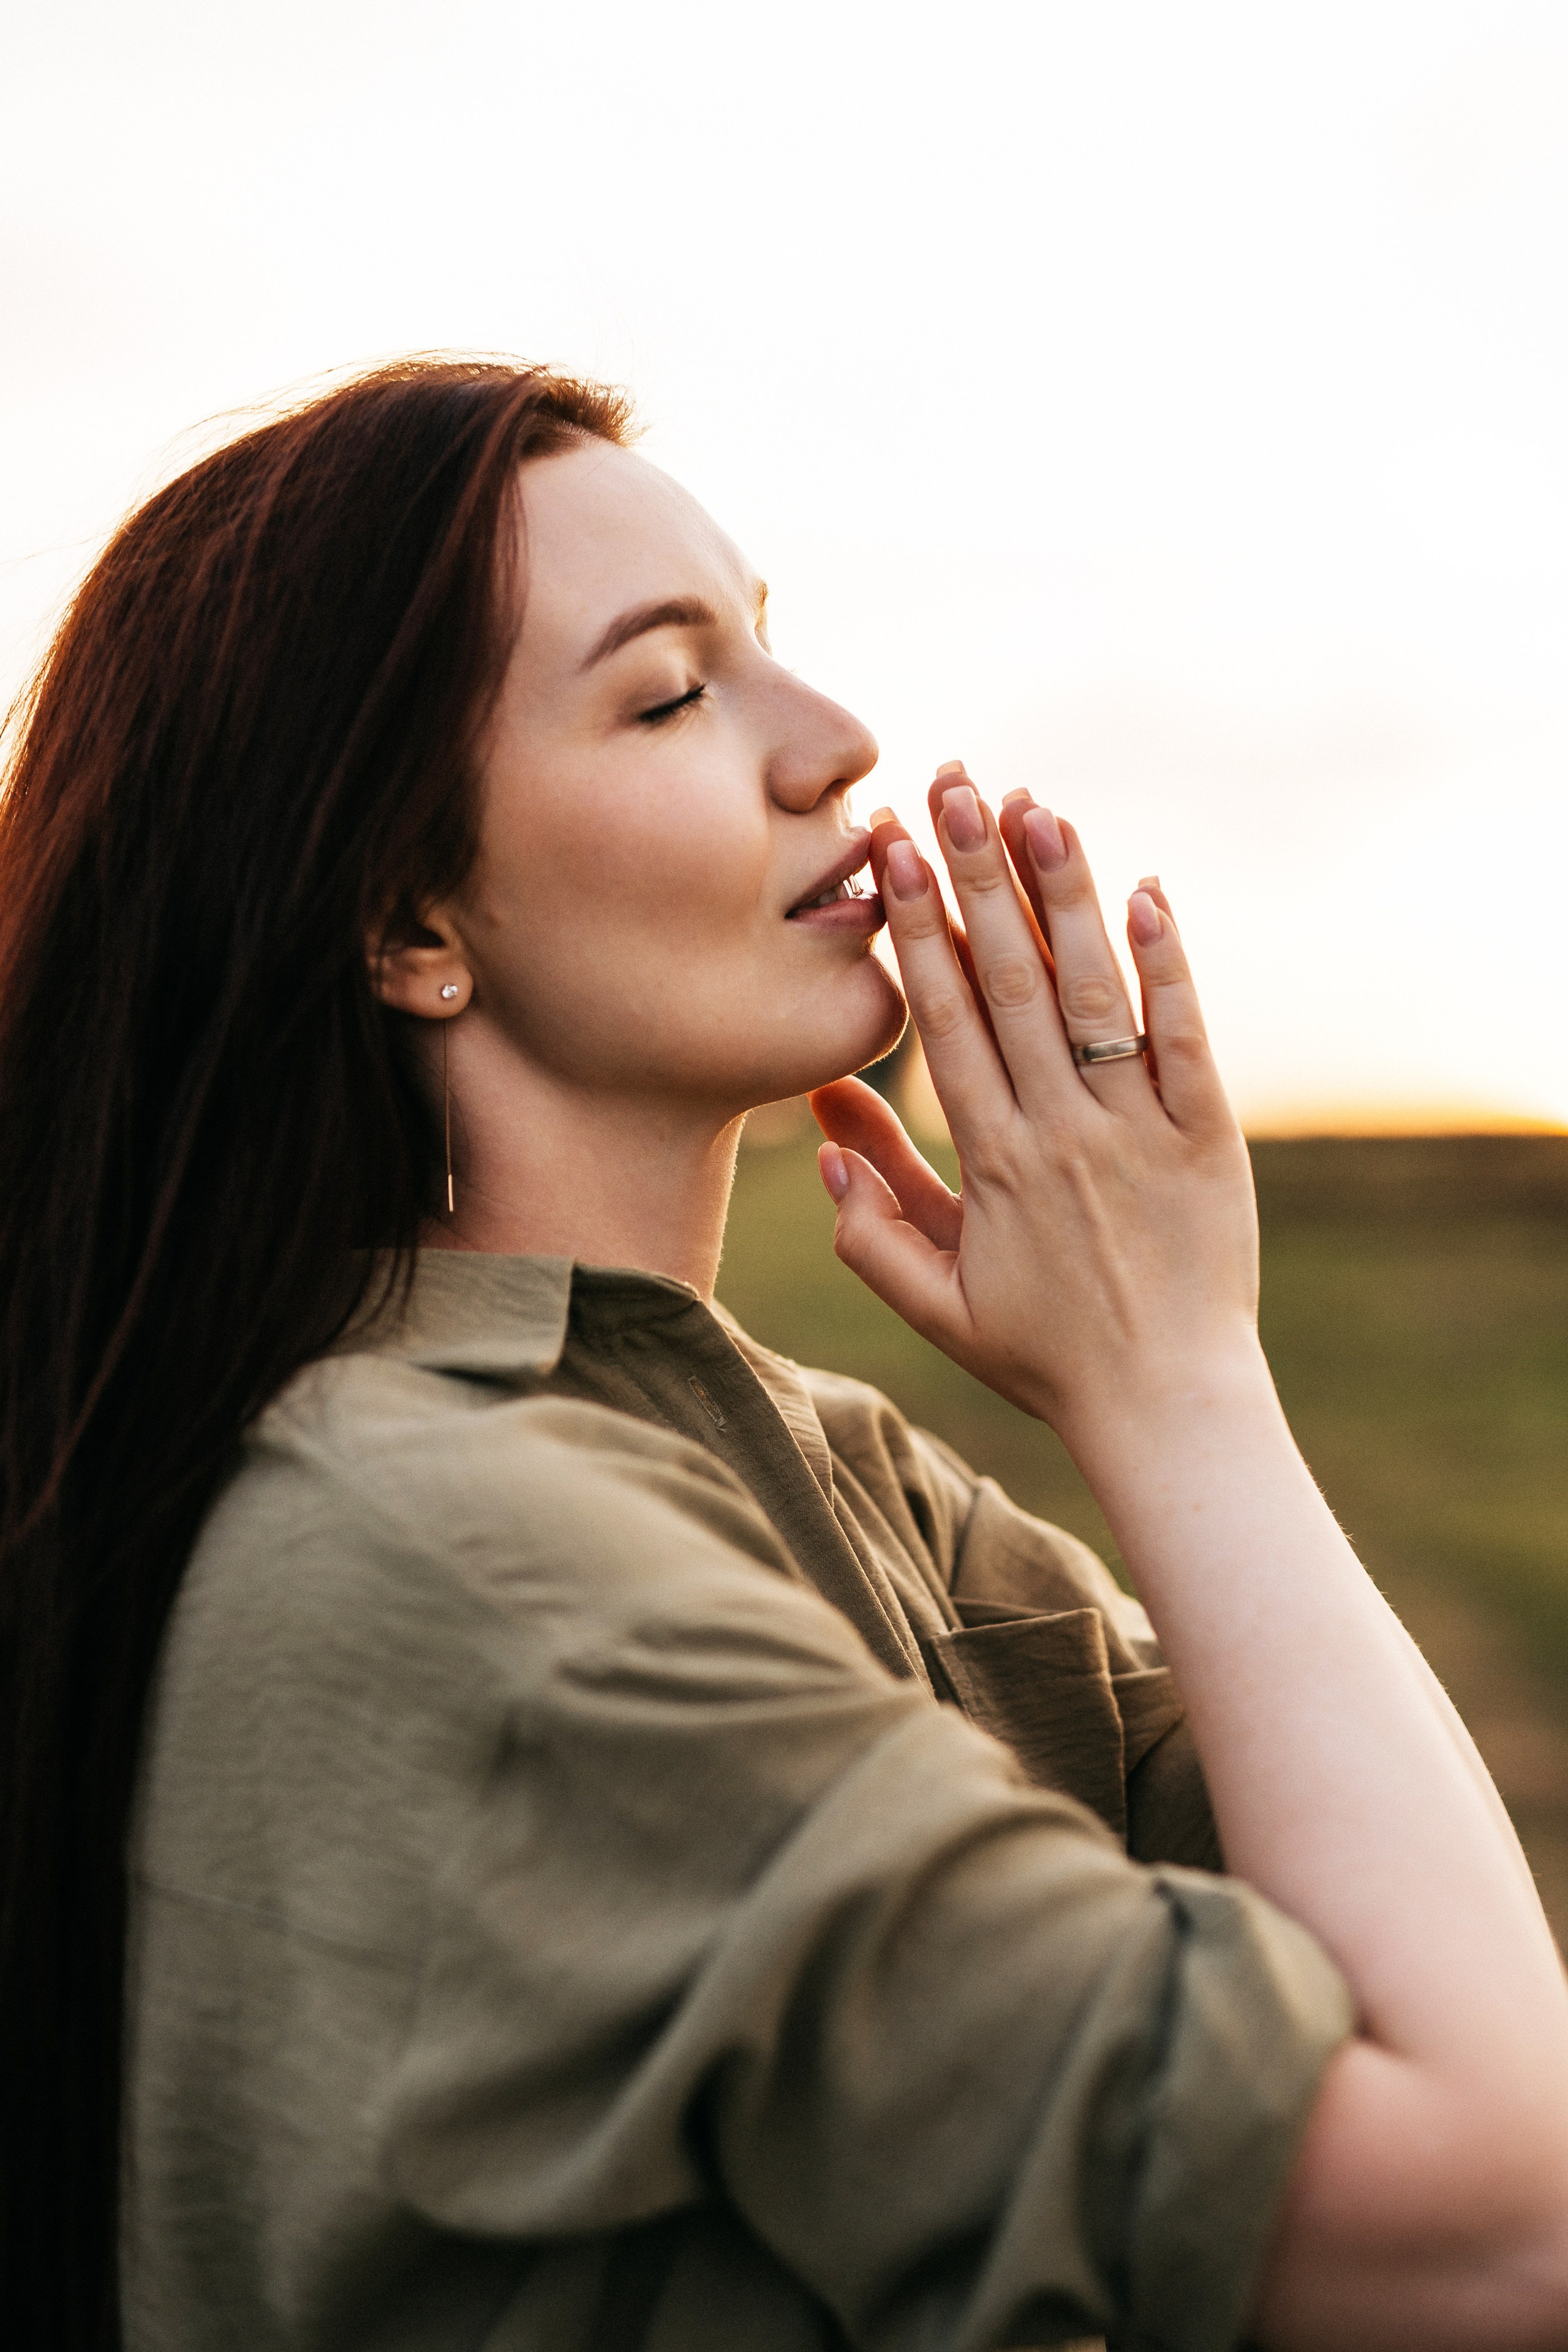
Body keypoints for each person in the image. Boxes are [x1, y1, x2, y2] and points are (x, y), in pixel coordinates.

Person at [0, 358, 1564, 2352]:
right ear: (406, 918)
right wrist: (1179, 1387)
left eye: (771, 648)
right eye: (670, 693)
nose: (834, 743)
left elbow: (1422, 1990)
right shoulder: (461, 1567)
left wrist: (1174, 1371)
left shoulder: (838, 1472)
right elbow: (1498, 2238)